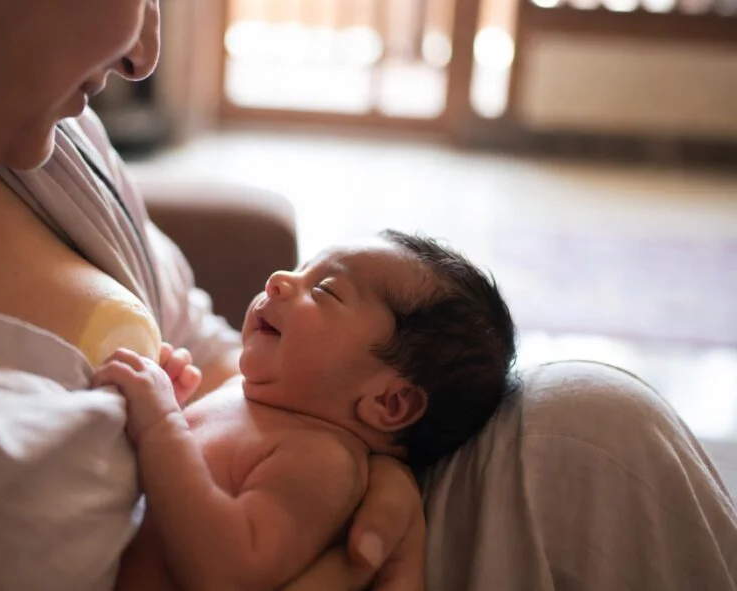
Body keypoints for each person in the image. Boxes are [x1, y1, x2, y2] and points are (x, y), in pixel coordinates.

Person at [0, 0, 733, 590]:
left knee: (593, 430)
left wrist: (353, 465)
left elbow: (202, 342)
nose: (147, 48)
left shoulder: (35, 134)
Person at [99, 231, 518, 590]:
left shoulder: (322, 461)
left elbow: (229, 572)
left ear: (389, 402)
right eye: (301, 269)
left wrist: (160, 423)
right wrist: (173, 403)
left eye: (325, 290)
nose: (279, 280)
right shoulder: (253, 397)